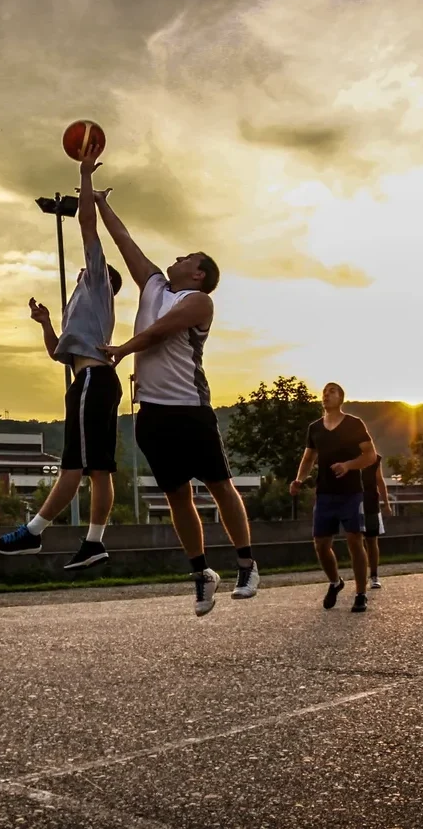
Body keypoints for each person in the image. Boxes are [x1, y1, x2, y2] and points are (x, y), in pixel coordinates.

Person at [93, 187, 259, 616]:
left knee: (220, 486)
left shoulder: (198, 301)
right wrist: (99, 200)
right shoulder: (152, 284)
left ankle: (246, 564)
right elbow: (124, 241)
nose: (179, 258)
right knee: (176, 496)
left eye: (188, 257)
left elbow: (160, 332)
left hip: (190, 410)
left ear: (199, 273)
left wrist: (122, 349)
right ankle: (202, 573)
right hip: (151, 414)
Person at [0, 144, 124, 571]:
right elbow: (56, 354)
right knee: (98, 470)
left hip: (92, 383)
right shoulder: (77, 310)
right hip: (89, 381)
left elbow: (87, 226)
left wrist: (84, 179)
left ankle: (32, 533)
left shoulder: (98, 284)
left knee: (74, 466)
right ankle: (94, 543)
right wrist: (46, 322)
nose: (83, 268)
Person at [290, 382, 378, 613]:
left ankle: (360, 594)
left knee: (354, 540)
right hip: (325, 494)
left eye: (332, 392)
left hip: (351, 493)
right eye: (324, 392)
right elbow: (308, 458)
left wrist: (349, 465)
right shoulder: (315, 428)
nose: (326, 395)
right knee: (321, 545)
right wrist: (299, 479)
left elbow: (369, 456)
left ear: (341, 398)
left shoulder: (354, 424)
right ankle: (335, 582)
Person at [362, 453, 393, 589]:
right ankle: (361, 576)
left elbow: (380, 480)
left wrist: (386, 503)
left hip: (370, 503)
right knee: (356, 540)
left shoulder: (374, 458)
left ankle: (374, 575)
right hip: (353, 502)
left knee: (371, 540)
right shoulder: (347, 454)